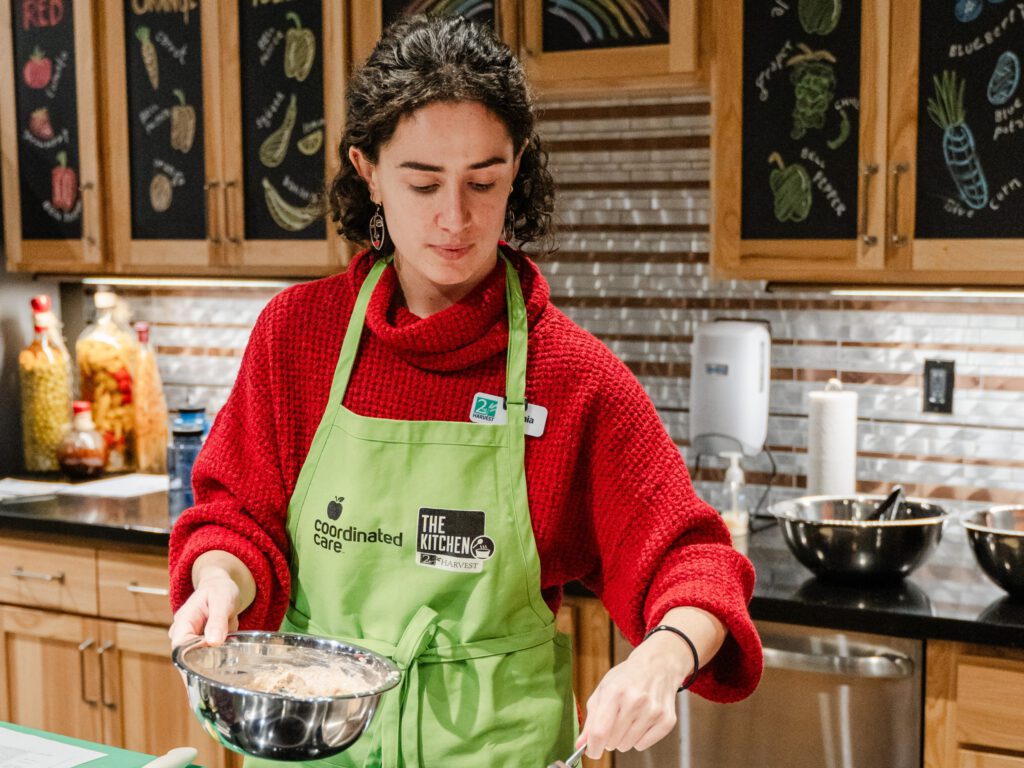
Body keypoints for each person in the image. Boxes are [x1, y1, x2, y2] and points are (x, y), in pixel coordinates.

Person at [168, 14, 762, 768]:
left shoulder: (570, 377)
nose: (456, 218)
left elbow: (694, 560)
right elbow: (236, 516)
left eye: (483, 180)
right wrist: (219, 581)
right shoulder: (298, 338)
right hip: (310, 753)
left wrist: (665, 655)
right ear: (368, 171)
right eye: (422, 182)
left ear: (517, 170)